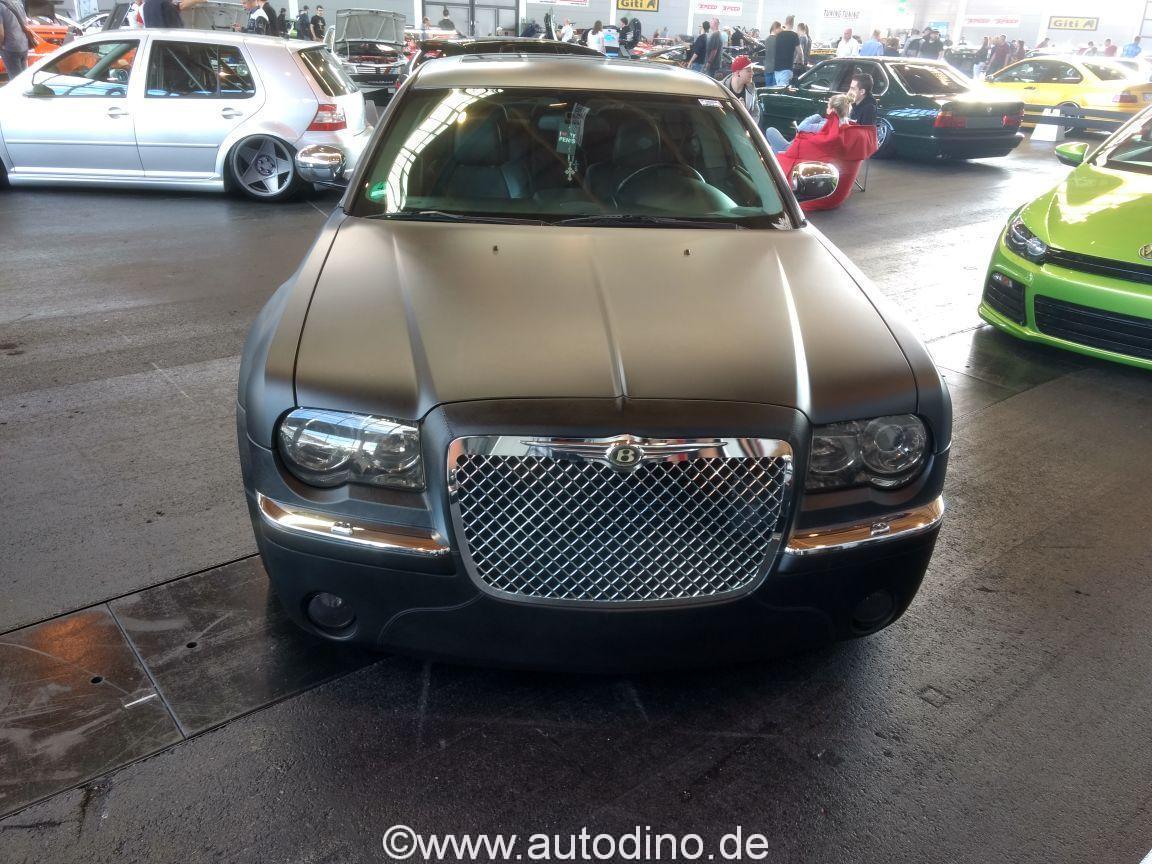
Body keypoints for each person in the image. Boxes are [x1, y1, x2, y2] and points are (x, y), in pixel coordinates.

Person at [763, 93, 852, 153]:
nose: (826, 109)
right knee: (772, 148)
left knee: (770, 131)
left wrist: (817, 116)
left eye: (828, 107)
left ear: (833, 110)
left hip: (795, 150)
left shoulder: (826, 125)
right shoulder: (845, 124)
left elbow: (801, 127)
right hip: (802, 147)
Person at [721, 55, 761, 125]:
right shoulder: (721, 88)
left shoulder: (751, 88)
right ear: (738, 73)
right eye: (748, 70)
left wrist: (749, 128)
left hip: (744, 129)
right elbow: (718, 116)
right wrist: (738, 109)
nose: (753, 73)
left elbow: (755, 113)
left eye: (752, 70)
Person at [0, 0, 31, 79]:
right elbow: (25, 23)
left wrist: (1, 45)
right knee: (24, 77)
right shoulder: (18, 2)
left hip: (10, 47)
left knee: (15, 79)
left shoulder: (0, 6)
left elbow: (1, 33)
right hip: (23, 44)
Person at [773, 16, 799, 86]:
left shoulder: (778, 35)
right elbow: (800, 52)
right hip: (787, 67)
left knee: (779, 87)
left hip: (777, 68)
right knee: (783, 89)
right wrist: (800, 61)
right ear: (792, 23)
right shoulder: (794, 35)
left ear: (785, 22)